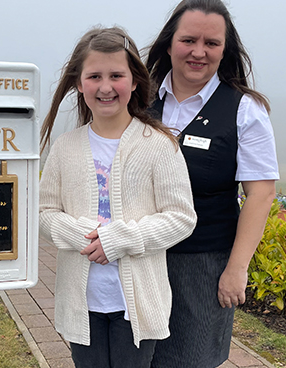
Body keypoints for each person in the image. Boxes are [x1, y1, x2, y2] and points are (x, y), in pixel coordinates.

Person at [39, 26, 197, 368]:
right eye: (94, 76)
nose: (106, 86)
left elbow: (182, 217)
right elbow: (44, 212)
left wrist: (118, 239)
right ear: (79, 84)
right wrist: (84, 235)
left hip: (137, 306)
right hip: (82, 304)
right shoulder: (65, 147)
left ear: (135, 80)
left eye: (116, 75)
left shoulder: (158, 144)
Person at [145, 0, 279, 368]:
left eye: (211, 43)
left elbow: (261, 195)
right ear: (169, 43)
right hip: (138, 257)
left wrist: (236, 270)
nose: (198, 51)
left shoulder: (245, 110)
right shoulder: (139, 100)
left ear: (225, 49)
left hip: (203, 266)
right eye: (188, 40)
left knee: (190, 360)